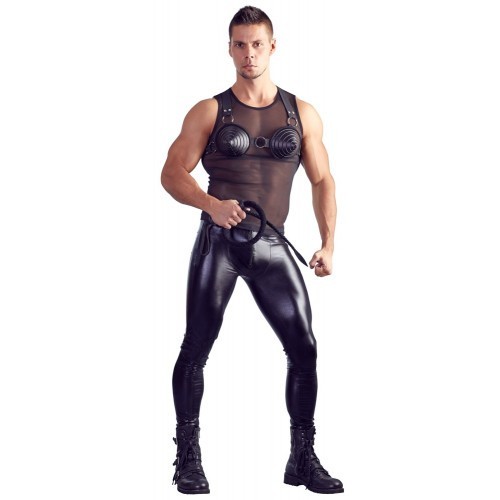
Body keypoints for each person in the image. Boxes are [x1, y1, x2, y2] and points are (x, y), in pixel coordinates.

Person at [160, 6, 344, 495]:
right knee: (196, 348)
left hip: (272, 244)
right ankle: (187, 458)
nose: (249, 53)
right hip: (218, 243)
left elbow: (322, 180)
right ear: (229, 49)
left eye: (257, 44)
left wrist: (328, 243)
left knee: (304, 348)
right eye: (240, 44)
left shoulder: (301, 112)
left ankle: (302, 459)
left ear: (272, 46)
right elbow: (171, 173)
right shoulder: (209, 111)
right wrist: (210, 204)